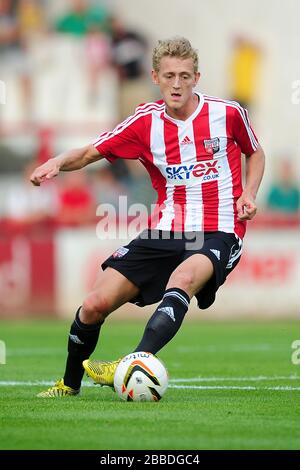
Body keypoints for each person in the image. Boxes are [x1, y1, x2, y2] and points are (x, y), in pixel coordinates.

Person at [30, 37, 265, 397]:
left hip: (221, 228)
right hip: (168, 229)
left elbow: (255, 152)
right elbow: (92, 152)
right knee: (93, 305)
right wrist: (57, 163)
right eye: (169, 75)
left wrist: (249, 193)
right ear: (155, 76)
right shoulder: (145, 123)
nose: (177, 84)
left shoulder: (228, 113)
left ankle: (132, 363)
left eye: (185, 76)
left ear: (196, 77)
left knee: (183, 278)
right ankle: (68, 385)